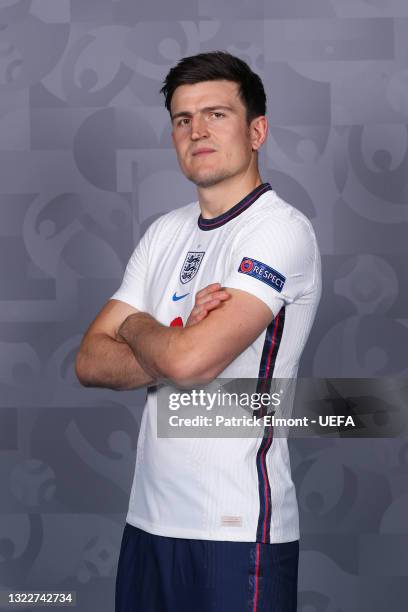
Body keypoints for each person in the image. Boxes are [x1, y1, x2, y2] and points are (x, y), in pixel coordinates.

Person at [75, 51, 321, 612]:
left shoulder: (280, 232)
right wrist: (174, 336)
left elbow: (190, 365)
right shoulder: (165, 232)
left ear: (256, 130)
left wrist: (136, 326)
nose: (197, 131)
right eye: (183, 119)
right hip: (148, 521)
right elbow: (89, 360)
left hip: (235, 529)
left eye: (216, 114)